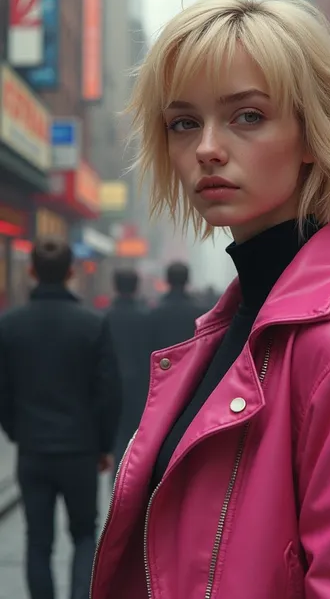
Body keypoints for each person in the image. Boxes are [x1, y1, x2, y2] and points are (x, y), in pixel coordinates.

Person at [90, 0, 330, 599]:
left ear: (311, 132)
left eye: (247, 115)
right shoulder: (230, 329)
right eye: (184, 123)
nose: (206, 146)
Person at [0, 237, 121, 599]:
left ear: (32, 271)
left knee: (38, 541)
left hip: (33, 449)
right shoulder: (92, 324)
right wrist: (103, 444)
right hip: (80, 450)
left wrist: (17, 432)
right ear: (71, 272)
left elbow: (2, 391)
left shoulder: (9, 326)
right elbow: (109, 393)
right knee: (84, 535)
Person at [106, 269, 150, 471]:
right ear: (136, 287)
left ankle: (115, 484)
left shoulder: (104, 318)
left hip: (111, 386)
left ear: (115, 287)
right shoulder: (146, 319)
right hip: (139, 388)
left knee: (115, 438)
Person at [148, 261, 203, 349]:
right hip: (191, 361)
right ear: (187, 280)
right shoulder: (200, 313)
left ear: (167, 280)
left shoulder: (153, 312)